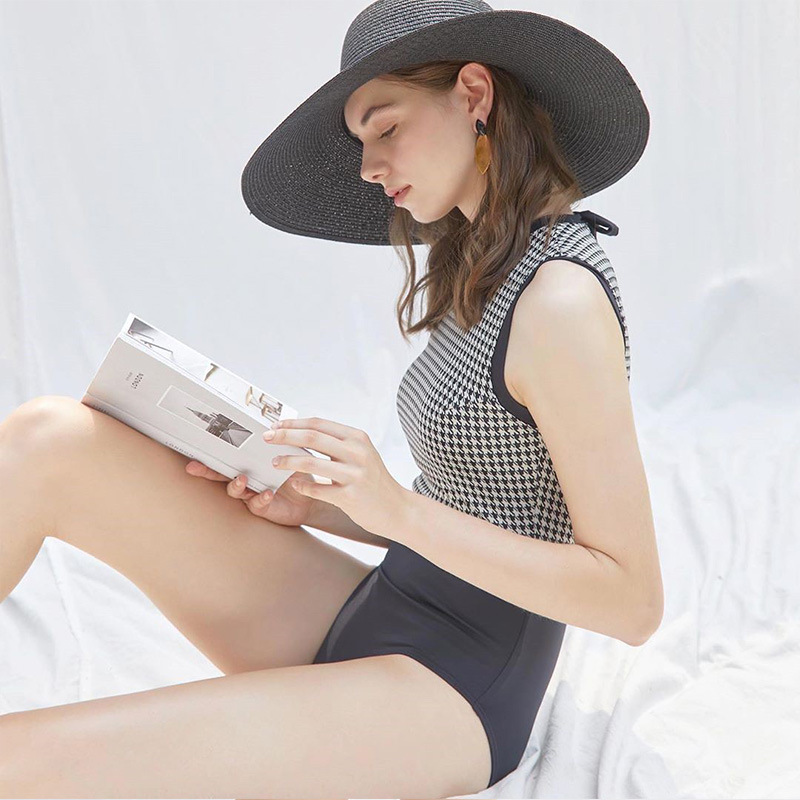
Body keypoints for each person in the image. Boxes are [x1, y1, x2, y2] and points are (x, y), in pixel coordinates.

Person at [0, 0, 663, 797]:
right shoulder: (491, 266)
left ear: (474, 95)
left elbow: (632, 602)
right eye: (361, 143)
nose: (368, 167)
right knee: (49, 438)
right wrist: (321, 505)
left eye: (386, 128)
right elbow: (478, 506)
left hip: (453, 694)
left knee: (19, 758)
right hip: (378, 610)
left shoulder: (559, 299)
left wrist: (397, 510)